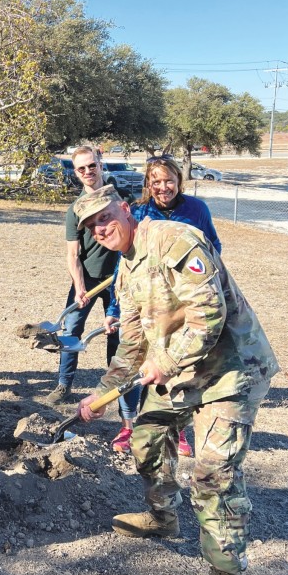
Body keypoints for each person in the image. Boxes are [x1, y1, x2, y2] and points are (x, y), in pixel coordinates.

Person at [75, 185, 279, 575]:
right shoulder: (126, 269)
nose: (101, 228)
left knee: (213, 473)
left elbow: (210, 313)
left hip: (231, 372)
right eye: (91, 225)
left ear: (126, 209)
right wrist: (100, 394)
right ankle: (163, 515)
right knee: (146, 436)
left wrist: (164, 361)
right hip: (185, 374)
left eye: (105, 216)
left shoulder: (174, 240)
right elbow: (131, 346)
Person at [104, 155, 222, 455]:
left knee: (177, 365)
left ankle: (175, 429)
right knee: (135, 360)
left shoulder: (196, 210)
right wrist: (115, 310)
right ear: (148, 184)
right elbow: (125, 263)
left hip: (182, 305)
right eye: (155, 181)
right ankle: (128, 426)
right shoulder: (141, 212)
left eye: (169, 180)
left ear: (179, 180)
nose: (163, 187)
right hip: (148, 302)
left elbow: (214, 250)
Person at [44, 147, 138, 432]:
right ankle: (63, 385)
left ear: (100, 164)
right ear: (75, 173)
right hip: (87, 279)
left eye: (91, 166)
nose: (88, 172)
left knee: (119, 338)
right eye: (81, 168)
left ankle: (120, 394)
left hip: (120, 280)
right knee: (71, 332)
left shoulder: (119, 196)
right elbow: (73, 255)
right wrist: (80, 288)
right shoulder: (75, 210)